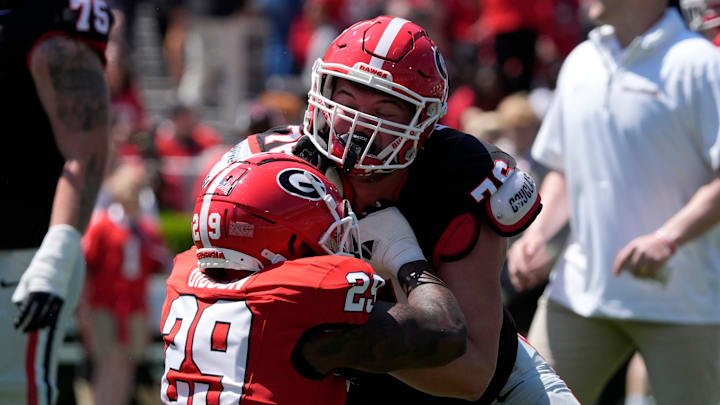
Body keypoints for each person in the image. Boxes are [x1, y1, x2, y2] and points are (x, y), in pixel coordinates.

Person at [206, 15, 579, 404]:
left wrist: (339, 337)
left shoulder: (458, 176)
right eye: (345, 101)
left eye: (383, 111)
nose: (355, 125)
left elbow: (475, 374)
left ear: (424, 121)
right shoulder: (277, 170)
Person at [507, 1, 720, 404]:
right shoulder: (580, 61)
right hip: (579, 294)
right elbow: (565, 170)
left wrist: (667, 238)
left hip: (685, 303)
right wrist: (538, 234)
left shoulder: (701, 63)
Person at [160, 153, 468, 404]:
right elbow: (446, 331)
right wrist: (406, 258)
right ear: (289, 242)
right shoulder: (295, 302)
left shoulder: (184, 278)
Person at [0, 1, 112, 404]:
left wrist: (57, 251)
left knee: (14, 391)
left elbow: (87, 150)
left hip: (18, 255)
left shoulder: (46, 18)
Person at [81, 162, 171, 405]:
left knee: (126, 368)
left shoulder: (145, 230)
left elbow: (160, 262)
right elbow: (87, 270)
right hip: (105, 307)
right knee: (107, 366)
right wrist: (84, 313)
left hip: (134, 308)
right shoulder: (102, 226)